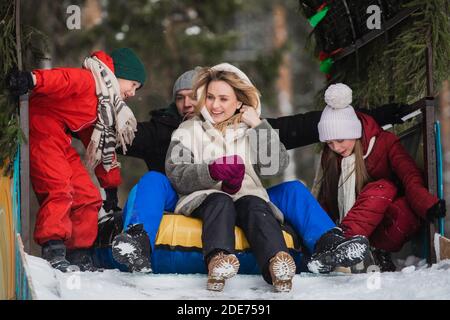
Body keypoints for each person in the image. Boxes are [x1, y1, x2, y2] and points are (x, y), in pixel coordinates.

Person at [104, 69, 404, 273]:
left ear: (236, 101)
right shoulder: (177, 128)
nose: (194, 103)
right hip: (193, 197)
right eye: (208, 97)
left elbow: (281, 155)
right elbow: (137, 149)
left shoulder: (247, 126)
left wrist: (257, 124)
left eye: (220, 98)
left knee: (293, 189)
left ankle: (328, 245)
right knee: (154, 180)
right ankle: (137, 239)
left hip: (248, 197)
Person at [7, 48, 147, 272]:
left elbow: (101, 145)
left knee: (89, 197)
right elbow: (61, 79)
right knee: (60, 189)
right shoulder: (88, 81)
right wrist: (31, 79)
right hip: (40, 132)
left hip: (60, 139)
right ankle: (53, 248)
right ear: (120, 75)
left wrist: (109, 187)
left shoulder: (104, 106)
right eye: (133, 85)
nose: (133, 93)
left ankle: (79, 253)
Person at [314, 83, 446, 271]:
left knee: (384, 187)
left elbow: (410, 175)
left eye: (340, 140)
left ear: (354, 132)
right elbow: (326, 200)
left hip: (385, 224)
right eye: (329, 143)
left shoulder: (384, 143)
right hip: (346, 223)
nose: (335, 147)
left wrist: (426, 203)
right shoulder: (332, 158)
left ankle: (356, 246)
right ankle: (340, 245)